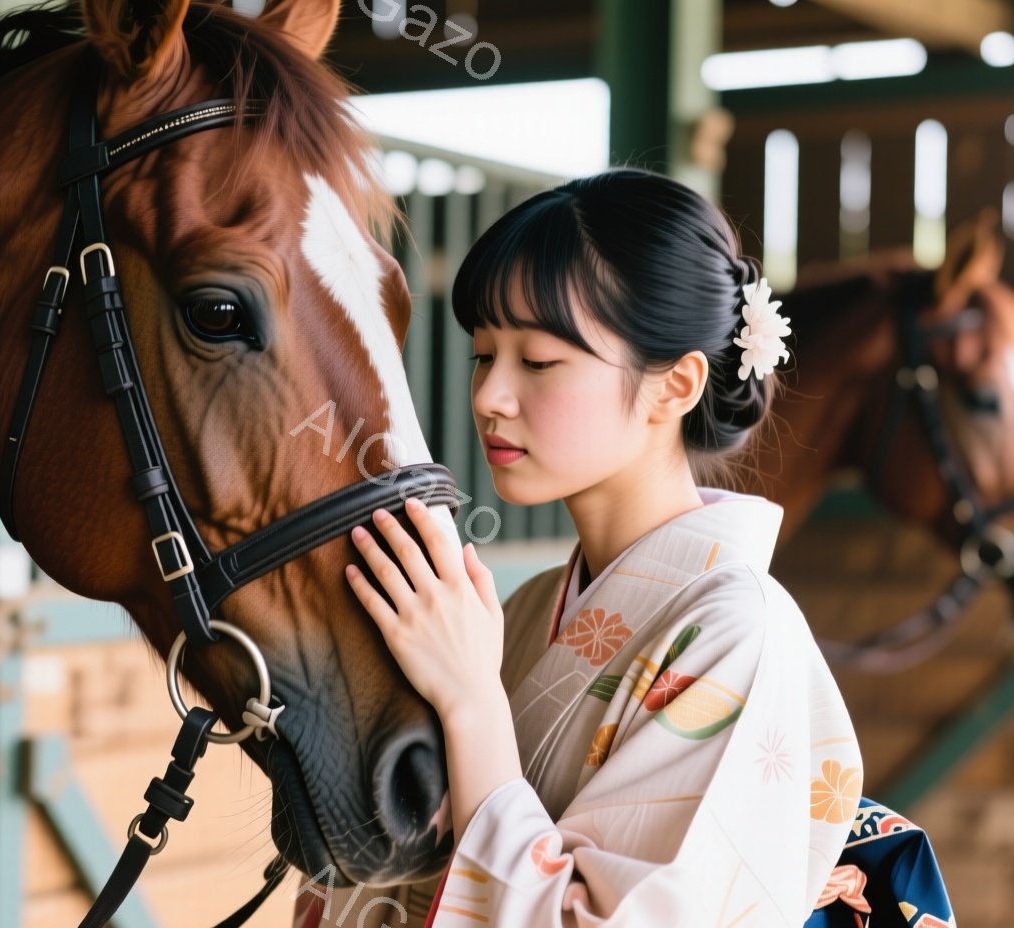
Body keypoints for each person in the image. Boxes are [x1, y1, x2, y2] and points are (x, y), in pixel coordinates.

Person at [297, 168, 864, 927]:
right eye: (482, 355)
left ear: (675, 385)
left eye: (537, 361)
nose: (489, 397)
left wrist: (471, 702)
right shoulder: (534, 607)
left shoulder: (741, 632)